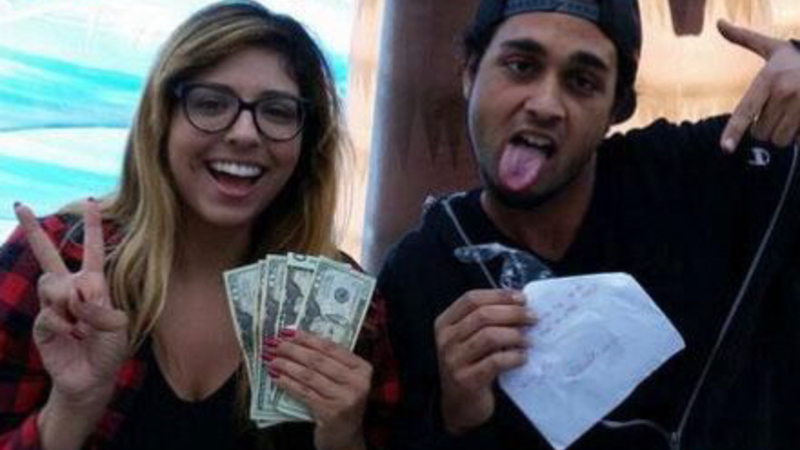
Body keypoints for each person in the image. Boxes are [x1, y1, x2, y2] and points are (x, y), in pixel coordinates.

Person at [378, 0, 800, 449]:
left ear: (617, 107)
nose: (545, 105)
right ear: (469, 73)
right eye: (521, 66)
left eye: (582, 82)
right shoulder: (422, 274)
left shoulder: (690, 178)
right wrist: (458, 418)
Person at [0, 2, 397, 449]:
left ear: (308, 143)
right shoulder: (53, 267)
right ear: (161, 120)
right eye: (210, 103)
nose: (245, 133)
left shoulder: (348, 305)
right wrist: (70, 410)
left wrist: (344, 438)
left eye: (277, 111)